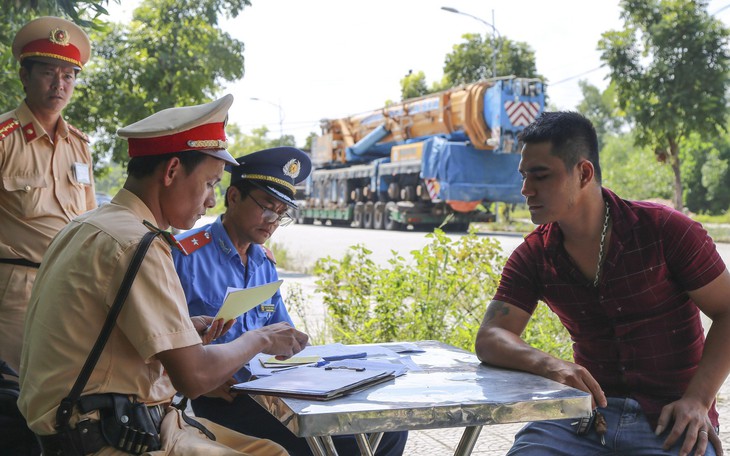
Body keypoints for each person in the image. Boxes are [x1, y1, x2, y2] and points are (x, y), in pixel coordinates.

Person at [18, 94, 309, 455]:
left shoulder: (89, 225)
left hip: (103, 423)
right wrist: (261, 339)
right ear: (171, 171)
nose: (209, 201)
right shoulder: (139, 244)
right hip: (107, 436)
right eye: (209, 184)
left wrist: (187, 331)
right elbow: (195, 377)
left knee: (271, 449)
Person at [475, 111, 730, 456]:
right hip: (584, 418)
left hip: (672, 422)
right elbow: (491, 336)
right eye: (523, 176)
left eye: (540, 175)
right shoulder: (535, 255)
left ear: (583, 173)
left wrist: (698, 400)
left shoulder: (664, 231)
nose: (525, 189)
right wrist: (553, 365)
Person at [173, 147, 409, 456]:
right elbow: (163, 343)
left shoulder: (264, 264)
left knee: (390, 429)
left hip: (276, 391)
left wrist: (298, 349)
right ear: (233, 197)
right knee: (335, 444)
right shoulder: (185, 256)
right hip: (223, 399)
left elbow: (282, 333)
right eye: (267, 208)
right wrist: (202, 382)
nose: (272, 221)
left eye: (281, 214)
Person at [0, 16, 96, 375]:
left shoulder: (80, 146)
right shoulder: (5, 138)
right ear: (25, 76)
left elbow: (88, 220)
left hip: (70, 288)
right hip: (14, 290)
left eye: (68, 75)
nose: (60, 84)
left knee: (60, 390)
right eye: (48, 73)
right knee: (13, 394)